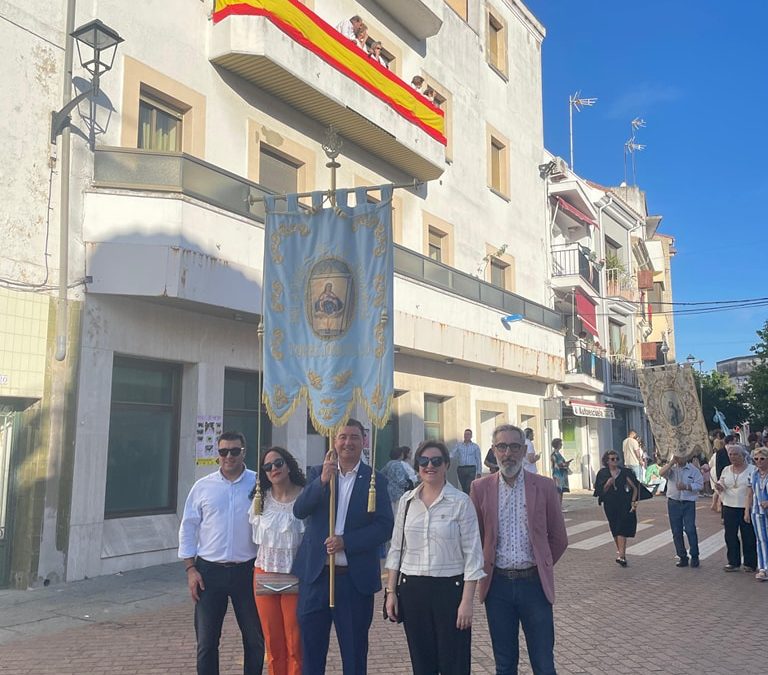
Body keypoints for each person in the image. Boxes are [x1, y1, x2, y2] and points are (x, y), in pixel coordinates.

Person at [292, 419, 394, 675]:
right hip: (316, 578)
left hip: (353, 581)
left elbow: (384, 527)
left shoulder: (375, 480)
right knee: (311, 654)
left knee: (354, 654)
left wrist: (347, 541)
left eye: (354, 437)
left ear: (364, 441)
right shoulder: (318, 473)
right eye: (343, 437)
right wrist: (322, 481)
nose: (348, 442)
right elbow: (299, 510)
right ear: (334, 441)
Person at [470, 424, 568, 675]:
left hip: (534, 585)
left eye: (514, 447)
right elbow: (475, 537)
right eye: (502, 447)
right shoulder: (480, 488)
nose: (508, 453)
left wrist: (542, 564)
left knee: (543, 662)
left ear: (524, 451)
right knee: (504, 664)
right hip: (497, 587)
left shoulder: (544, 486)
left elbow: (559, 538)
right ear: (494, 450)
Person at [384, 441, 485, 675]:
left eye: (436, 461)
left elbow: (473, 555)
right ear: (417, 465)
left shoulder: (461, 502)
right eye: (424, 461)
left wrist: (467, 601)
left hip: (449, 590)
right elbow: (396, 549)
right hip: (413, 589)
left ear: (446, 465)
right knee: (422, 663)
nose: (430, 466)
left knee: (454, 663)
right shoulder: (407, 501)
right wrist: (391, 592)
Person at [178, 431, 265, 675]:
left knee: (255, 639)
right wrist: (190, 569)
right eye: (223, 451)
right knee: (206, 642)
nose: (229, 456)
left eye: (234, 451)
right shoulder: (202, 487)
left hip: (247, 571)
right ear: (217, 453)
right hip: (209, 572)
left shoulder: (259, 484)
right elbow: (188, 527)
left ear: (243, 452)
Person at [249, 447, 306, 675]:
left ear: (288, 465)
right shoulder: (260, 499)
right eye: (267, 466)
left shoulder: (305, 497)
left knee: (295, 642)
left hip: (295, 576)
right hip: (264, 574)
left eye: (278, 463)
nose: (274, 468)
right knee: (272, 642)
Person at [715, 444, 757, 573]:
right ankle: (733, 562)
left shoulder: (752, 469)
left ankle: (750, 563)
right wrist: (719, 486)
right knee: (730, 535)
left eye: (736, 454)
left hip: (746, 507)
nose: (733, 457)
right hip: (729, 506)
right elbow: (722, 482)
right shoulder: (726, 469)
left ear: (743, 456)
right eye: (731, 455)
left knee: (748, 536)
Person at [593, 451, 639, 567]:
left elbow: (635, 488)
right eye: (612, 459)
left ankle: (622, 556)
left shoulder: (624, 472)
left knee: (621, 527)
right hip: (610, 504)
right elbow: (600, 491)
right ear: (607, 461)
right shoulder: (603, 473)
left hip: (623, 503)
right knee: (614, 528)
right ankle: (621, 552)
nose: (615, 461)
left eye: (617, 459)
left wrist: (633, 502)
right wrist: (608, 484)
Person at [659, 453, 704, 568]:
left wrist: (687, 487)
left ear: (687, 457)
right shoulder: (672, 469)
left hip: (688, 502)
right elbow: (661, 473)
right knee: (676, 531)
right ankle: (682, 556)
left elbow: (700, 485)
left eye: (681, 456)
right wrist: (671, 463)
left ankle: (694, 555)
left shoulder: (693, 470)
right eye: (677, 456)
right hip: (673, 502)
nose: (679, 458)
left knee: (690, 529)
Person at [745, 446, 768, 581]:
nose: (759, 461)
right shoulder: (753, 474)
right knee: (761, 540)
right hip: (757, 511)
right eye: (756, 459)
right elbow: (750, 493)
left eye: (762, 459)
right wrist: (746, 510)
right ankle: (763, 567)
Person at [382, 446, 414, 514]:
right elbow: (401, 481)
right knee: (399, 513)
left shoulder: (388, 464)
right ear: (400, 455)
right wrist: (408, 485)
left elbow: (381, 474)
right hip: (398, 493)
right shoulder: (398, 465)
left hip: (389, 492)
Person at [453, 429, 482, 494]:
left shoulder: (475, 446)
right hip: (461, 469)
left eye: (468, 434)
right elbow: (452, 454)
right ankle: (467, 497)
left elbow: (478, 459)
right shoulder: (459, 445)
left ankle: (468, 498)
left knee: (468, 486)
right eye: (465, 434)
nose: (466, 436)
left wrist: (479, 472)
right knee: (464, 487)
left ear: (471, 436)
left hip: (471, 469)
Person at [550, 438, 572, 508]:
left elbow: (561, 463)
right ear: (557, 445)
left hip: (561, 474)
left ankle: (560, 505)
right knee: (558, 490)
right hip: (558, 474)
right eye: (560, 444)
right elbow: (557, 465)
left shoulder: (558, 454)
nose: (561, 445)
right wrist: (565, 464)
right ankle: (558, 506)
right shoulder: (554, 455)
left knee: (561, 491)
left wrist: (566, 463)